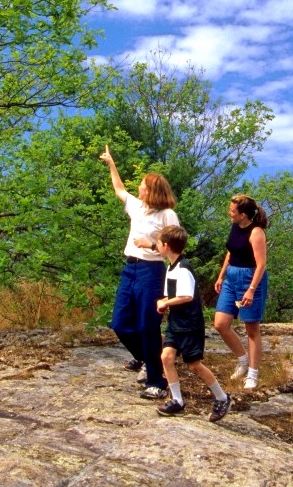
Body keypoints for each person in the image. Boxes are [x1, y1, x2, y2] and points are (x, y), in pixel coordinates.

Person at [99, 144, 179, 400]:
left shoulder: (167, 215)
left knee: (148, 326)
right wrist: (111, 163)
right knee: (120, 323)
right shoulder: (137, 206)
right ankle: (147, 359)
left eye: (143, 185)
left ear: (152, 190)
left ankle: (156, 382)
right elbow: (119, 189)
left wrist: (153, 245)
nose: (139, 187)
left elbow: (177, 245)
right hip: (130, 268)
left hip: (151, 271)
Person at [154, 225, 232, 422]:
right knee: (166, 357)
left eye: (158, 243)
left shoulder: (183, 268)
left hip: (190, 325)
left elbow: (186, 296)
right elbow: (172, 295)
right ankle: (177, 400)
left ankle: (222, 397)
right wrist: (165, 305)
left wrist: (166, 302)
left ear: (166, 246)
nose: (156, 247)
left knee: (194, 365)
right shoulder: (171, 267)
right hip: (176, 322)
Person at [213, 194, 269, 390]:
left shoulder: (256, 232)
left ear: (243, 214)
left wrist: (251, 290)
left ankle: (253, 373)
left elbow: (261, 264)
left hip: (250, 278)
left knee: (251, 329)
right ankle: (243, 360)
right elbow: (231, 252)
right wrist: (221, 276)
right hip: (231, 277)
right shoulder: (235, 226)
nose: (229, 213)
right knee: (220, 323)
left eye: (232, 211)